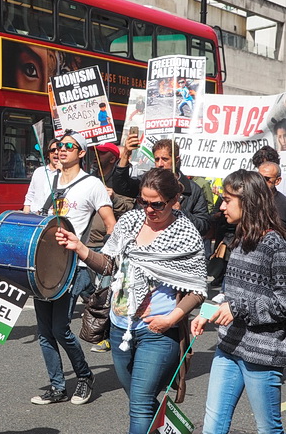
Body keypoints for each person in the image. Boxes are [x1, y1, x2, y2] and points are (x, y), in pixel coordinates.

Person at [56, 167, 207, 434]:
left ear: (174, 200)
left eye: (157, 204)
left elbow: (197, 289)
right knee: (143, 401)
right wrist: (79, 248)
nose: (149, 210)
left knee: (138, 405)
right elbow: (109, 265)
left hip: (157, 332)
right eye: (143, 202)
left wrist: (169, 319)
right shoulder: (130, 222)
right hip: (119, 328)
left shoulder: (186, 233)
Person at [191, 169, 286, 434]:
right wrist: (206, 311)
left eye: (228, 200)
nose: (221, 207)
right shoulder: (240, 238)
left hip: (261, 353)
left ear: (249, 202)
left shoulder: (275, 244)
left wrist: (237, 308)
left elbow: (283, 303)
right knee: (213, 427)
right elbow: (230, 291)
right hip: (228, 346)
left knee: (267, 428)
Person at [30, 130, 115, 407]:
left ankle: (84, 376)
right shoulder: (44, 178)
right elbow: (32, 216)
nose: (62, 149)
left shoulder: (92, 185)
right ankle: (57, 386)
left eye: (70, 146)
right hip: (41, 265)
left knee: (60, 328)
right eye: (59, 145)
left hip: (72, 265)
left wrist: (105, 260)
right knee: (44, 331)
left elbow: (112, 225)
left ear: (81, 153)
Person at [87, 142, 134, 353]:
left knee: (106, 291)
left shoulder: (121, 181)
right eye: (96, 151)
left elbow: (131, 206)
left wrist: (114, 197)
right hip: (88, 241)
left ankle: (106, 335)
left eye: (102, 152)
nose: (97, 154)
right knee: (88, 289)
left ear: (113, 158)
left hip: (109, 243)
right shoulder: (90, 177)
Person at [112, 137, 211, 236]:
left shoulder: (193, 189)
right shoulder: (146, 181)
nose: (160, 164)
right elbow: (121, 186)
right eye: (157, 159)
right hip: (144, 238)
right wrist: (125, 154)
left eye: (165, 159)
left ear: (176, 160)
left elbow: (203, 226)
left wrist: (182, 212)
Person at [23, 138, 60, 214]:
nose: (56, 152)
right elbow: (30, 195)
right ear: (48, 155)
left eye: (59, 150)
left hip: (52, 218)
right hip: (35, 216)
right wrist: (26, 214)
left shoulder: (66, 174)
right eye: (53, 150)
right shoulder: (39, 171)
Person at [257, 161, 286, 226]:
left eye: (266, 178)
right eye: (259, 177)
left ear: (277, 181)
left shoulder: (283, 204)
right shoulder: (249, 199)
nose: (261, 181)